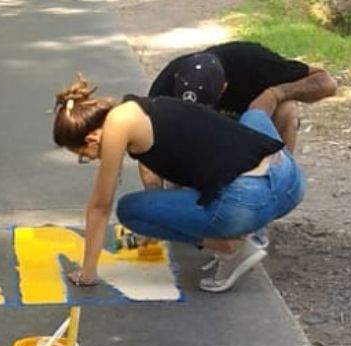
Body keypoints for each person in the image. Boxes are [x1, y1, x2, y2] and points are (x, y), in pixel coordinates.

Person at [50, 74, 306, 293]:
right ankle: (253, 228)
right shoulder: (143, 108)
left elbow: (99, 206)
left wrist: (87, 273)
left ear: (93, 137)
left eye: (86, 156)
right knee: (252, 118)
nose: (92, 159)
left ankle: (232, 247)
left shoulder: (118, 123)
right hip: (290, 183)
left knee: (131, 210)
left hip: (245, 203)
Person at [148, 42, 337, 152]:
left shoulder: (252, 61)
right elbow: (147, 140)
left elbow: (327, 83)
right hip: (204, 142)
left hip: (252, 127)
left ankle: (278, 183)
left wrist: (275, 94)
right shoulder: (165, 83)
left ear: (224, 87)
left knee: (286, 109)